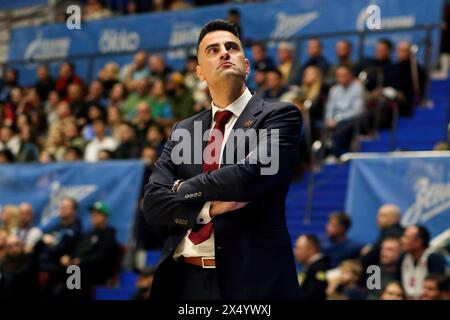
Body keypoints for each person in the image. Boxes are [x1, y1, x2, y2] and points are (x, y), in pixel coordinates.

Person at [142, 19, 302, 300]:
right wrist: (207, 210)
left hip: (252, 283)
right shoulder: (184, 130)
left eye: (232, 47)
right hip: (183, 280)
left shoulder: (279, 116)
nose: (224, 53)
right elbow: (153, 205)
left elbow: (248, 177)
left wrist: (183, 188)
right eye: (213, 50)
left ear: (247, 64)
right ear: (200, 72)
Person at [60, 201, 119, 299]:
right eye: (92, 214)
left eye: (97, 214)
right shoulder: (88, 234)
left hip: (95, 272)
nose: (93, 216)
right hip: (79, 269)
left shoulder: (109, 235)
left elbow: (101, 257)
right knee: (62, 271)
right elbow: (77, 250)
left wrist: (81, 261)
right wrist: (69, 257)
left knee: (73, 274)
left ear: (105, 217)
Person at [398, 225, 447, 299]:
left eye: (406, 237)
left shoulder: (434, 258)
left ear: (418, 242)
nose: (402, 240)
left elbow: (438, 288)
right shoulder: (402, 258)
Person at [294, 234, 330, 300]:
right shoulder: (310, 267)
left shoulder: (319, 268)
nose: (295, 252)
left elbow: (313, 296)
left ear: (311, 250)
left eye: (298, 248)